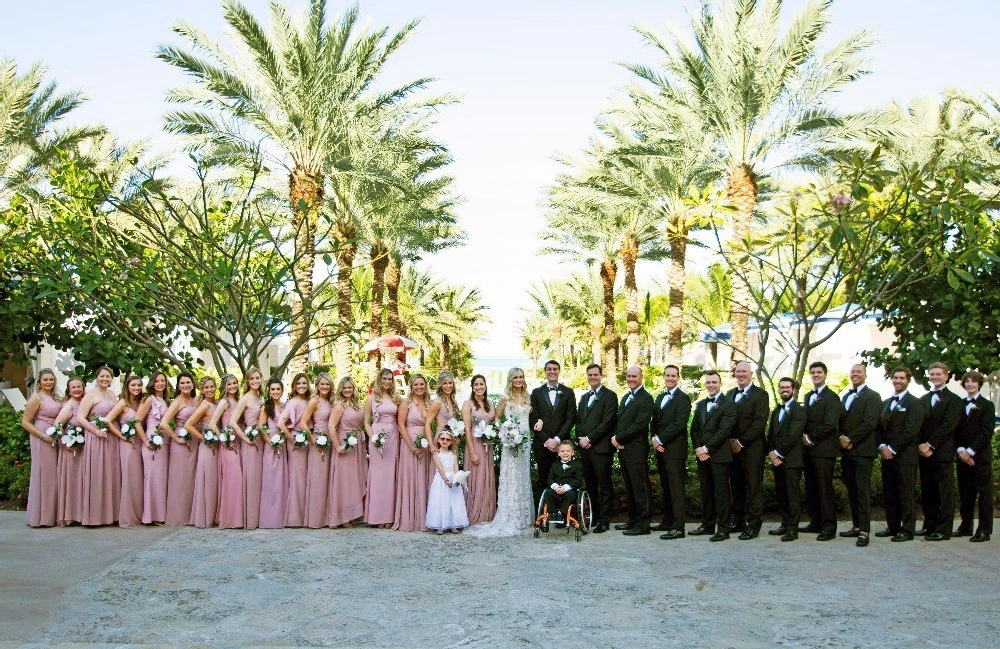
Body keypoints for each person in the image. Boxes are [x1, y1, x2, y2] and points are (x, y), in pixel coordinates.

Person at [465, 367, 534, 538]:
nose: (518, 380)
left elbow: (531, 417)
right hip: (510, 442)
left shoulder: (527, 397)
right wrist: (505, 432)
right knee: (510, 477)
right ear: (510, 380)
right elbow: (496, 418)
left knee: (523, 477)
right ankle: (509, 517)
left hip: (525, 442)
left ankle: (524, 517)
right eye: (515, 377)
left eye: (521, 377)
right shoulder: (505, 398)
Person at [875, 367, 925, 542]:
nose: (898, 380)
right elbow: (879, 428)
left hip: (905, 456)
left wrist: (892, 449)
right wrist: (882, 446)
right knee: (890, 493)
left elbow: (911, 430)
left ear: (908, 380)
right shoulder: (886, 402)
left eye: (901, 378)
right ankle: (893, 526)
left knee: (905, 493)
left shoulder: (915, 403)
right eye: (895, 377)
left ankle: (907, 530)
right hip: (887, 455)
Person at [837, 364, 882, 547]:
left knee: (862, 490)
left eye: (859, 372)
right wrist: (841, 438)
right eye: (853, 371)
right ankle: (856, 526)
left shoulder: (872, 396)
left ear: (865, 375)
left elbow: (870, 423)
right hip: (846, 451)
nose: (855, 374)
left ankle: (864, 531)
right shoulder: (846, 396)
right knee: (852, 489)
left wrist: (851, 439)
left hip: (862, 450)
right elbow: (840, 419)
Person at [916, 362, 962, 541]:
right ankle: (929, 525)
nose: (935, 377)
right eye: (932, 374)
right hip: (924, 453)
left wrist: (931, 444)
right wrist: (921, 444)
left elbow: (948, 426)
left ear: (946, 376)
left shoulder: (954, 400)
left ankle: (944, 529)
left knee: (945, 492)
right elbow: (918, 424)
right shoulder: (924, 399)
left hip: (942, 452)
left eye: (938, 374)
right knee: (928, 491)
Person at [689, 371, 736, 542]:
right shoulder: (701, 404)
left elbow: (725, 431)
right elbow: (694, 429)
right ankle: (707, 525)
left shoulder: (729, 404)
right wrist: (698, 448)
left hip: (719, 455)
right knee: (706, 491)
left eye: (714, 382)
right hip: (702, 455)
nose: (711, 385)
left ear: (720, 383)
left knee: (721, 493)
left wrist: (706, 448)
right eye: (708, 382)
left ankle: (723, 528)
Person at [800, 362, 844, 541]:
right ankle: (815, 521)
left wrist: (810, 438)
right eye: (813, 372)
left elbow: (830, 424)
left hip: (824, 450)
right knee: (811, 487)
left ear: (825, 374)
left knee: (825, 488)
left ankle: (829, 526)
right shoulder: (808, 395)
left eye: (819, 372)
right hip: (808, 451)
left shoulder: (832, 397)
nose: (816, 375)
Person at [725, 361, 769, 539]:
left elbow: (760, 422)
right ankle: (738, 520)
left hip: (752, 449)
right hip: (732, 449)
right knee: (736, 487)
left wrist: (741, 442)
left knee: (753, 487)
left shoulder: (760, 395)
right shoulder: (730, 394)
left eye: (744, 371)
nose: (740, 374)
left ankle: (754, 524)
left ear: (751, 373)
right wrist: (729, 440)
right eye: (737, 371)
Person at [574, 363, 617, 534]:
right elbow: (579, 421)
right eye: (590, 375)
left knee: (604, 486)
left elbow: (607, 422)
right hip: (585, 449)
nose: (592, 377)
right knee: (590, 485)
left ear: (601, 375)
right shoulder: (584, 397)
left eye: (595, 375)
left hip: (601, 448)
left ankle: (605, 520)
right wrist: (581, 439)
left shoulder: (610, 396)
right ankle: (593, 516)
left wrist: (590, 439)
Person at [613, 365, 655, 536]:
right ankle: (633, 520)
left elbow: (639, 424)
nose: (630, 379)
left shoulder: (646, 398)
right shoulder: (626, 397)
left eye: (634, 376)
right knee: (630, 487)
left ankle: (643, 525)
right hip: (624, 449)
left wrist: (619, 439)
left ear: (641, 377)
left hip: (636, 450)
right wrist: (616, 440)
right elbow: (620, 421)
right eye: (628, 376)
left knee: (640, 488)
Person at [76, 366, 121, 526]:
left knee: (110, 474)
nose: (105, 379)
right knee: (97, 473)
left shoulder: (111, 394)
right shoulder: (90, 395)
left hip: (110, 437)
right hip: (96, 438)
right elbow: (80, 417)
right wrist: (95, 431)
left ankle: (110, 514)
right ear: (96, 377)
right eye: (102, 376)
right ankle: (94, 516)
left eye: (108, 376)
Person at [650, 365, 690, 540]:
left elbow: (679, 424)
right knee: (666, 487)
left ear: (678, 377)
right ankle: (667, 520)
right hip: (661, 449)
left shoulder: (683, 398)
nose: (670, 378)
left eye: (674, 375)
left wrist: (661, 439)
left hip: (675, 451)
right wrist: (653, 438)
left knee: (676, 488)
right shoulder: (660, 397)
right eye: (667, 375)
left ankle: (678, 527)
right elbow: (655, 422)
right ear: (664, 377)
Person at [954, 370, 994, 542]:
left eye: (973, 382)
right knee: (965, 492)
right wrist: (961, 450)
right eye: (967, 381)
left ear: (979, 384)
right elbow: (955, 430)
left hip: (980, 457)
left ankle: (984, 530)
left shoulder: (986, 405)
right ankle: (965, 526)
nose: (970, 384)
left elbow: (986, 432)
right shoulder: (960, 404)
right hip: (962, 456)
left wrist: (970, 451)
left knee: (984, 494)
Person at [529, 360, 577, 498]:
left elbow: (571, 418)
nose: (552, 371)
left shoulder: (568, 392)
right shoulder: (537, 392)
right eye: (549, 369)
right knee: (543, 480)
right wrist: (547, 441)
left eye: (555, 369)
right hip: (542, 445)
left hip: (562, 446)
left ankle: (562, 513)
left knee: (564, 479)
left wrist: (557, 440)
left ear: (559, 371)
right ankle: (542, 516)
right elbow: (533, 419)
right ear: (545, 371)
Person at [22, 368, 63, 528]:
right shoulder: (36, 398)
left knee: (54, 476)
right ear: (40, 381)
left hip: (55, 438)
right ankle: (40, 517)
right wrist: (43, 436)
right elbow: (25, 422)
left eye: (51, 379)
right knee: (43, 475)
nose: (48, 382)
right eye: (45, 379)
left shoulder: (55, 397)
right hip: (41, 439)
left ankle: (52, 515)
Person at [766, 377, 806, 541]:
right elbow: (770, 433)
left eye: (787, 387)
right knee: (781, 494)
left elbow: (793, 434)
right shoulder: (777, 410)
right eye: (782, 387)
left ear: (794, 390)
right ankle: (784, 523)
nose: (784, 390)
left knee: (792, 495)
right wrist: (770, 452)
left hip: (791, 460)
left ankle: (792, 529)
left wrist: (778, 453)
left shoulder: (799, 410)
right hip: (777, 459)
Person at [105, 375, 146, 528]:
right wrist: (122, 436)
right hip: (127, 445)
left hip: (140, 442)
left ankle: (139, 513)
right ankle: (128, 516)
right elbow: (108, 420)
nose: (136, 388)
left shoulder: (140, 402)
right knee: (129, 478)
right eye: (133, 385)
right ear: (127, 387)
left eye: (139, 385)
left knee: (138, 479)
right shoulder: (123, 403)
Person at [393, 373, 432, 532]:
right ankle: (410, 518)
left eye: (422, 384)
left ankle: (425, 517)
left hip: (426, 444)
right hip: (410, 444)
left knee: (424, 478)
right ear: (411, 386)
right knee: (412, 478)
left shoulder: (429, 402)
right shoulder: (406, 403)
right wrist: (410, 446)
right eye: (416, 384)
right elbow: (401, 425)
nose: (419, 387)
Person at [328, 376, 368, 528]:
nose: (347, 390)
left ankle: (352, 514)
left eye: (350, 387)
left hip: (357, 445)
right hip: (345, 444)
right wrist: (338, 446)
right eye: (344, 388)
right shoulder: (339, 405)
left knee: (355, 480)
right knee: (344, 481)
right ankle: (342, 517)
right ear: (340, 389)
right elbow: (331, 426)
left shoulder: (357, 404)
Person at [162, 372, 199, 526]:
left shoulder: (196, 400)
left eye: (188, 382)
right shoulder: (177, 402)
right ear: (178, 386)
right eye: (182, 383)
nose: (186, 385)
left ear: (193, 383)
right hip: (182, 443)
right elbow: (164, 423)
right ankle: (179, 516)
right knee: (180, 479)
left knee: (192, 478)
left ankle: (192, 514)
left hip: (195, 440)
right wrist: (176, 438)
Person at [364, 368, 400, 528]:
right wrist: (372, 437)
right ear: (379, 379)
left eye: (389, 379)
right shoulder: (371, 398)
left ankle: (389, 516)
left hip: (393, 436)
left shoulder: (397, 398)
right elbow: (366, 422)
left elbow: (401, 420)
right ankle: (377, 516)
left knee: (391, 475)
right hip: (377, 437)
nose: (387, 382)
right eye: (384, 378)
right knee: (378, 476)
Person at [209, 374, 244, 530]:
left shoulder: (238, 401)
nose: (232, 386)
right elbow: (212, 424)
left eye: (235, 383)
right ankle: (230, 519)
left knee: (238, 480)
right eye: (229, 384)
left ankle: (238, 518)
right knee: (233, 479)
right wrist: (224, 439)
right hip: (228, 444)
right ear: (224, 386)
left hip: (240, 442)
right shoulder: (224, 402)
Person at [230, 368, 264, 529]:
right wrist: (245, 439)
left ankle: (258, 517)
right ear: (247, 381)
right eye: (252, 379)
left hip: (261, 442)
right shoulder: (245, 398)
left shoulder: (261, 397)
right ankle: (249, 519)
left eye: (257, 378)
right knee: (250, 479)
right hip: (250, 443)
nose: (255, 381)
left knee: (259, 479)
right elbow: (233, 422)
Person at [300, 373, 334, 530]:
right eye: (322, 384)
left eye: (327, 384)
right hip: (318, 442)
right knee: (318, 480)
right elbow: (303, 423)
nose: (325, 387)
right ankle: (315, 519)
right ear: (317, 385)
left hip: (331, 442)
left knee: (329, 480)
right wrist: (314, 442)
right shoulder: (315, 401)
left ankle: (328, 517)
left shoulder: (332, 401)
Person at [136, 371, 170, 525]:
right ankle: (150, 516)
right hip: (152, 441)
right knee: (151, 478)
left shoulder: (164, 400)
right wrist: (145, 441)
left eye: (163, 381)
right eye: (157, 381)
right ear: (152, 383)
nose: (160, 384)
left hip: (163, 441)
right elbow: (136, 421)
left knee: (161, 479)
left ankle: (160, 514)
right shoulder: (149, 399)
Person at [463, 374, 497, 525]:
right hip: (475, 445)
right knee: (476, 479)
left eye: (481, 384)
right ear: (472, 387)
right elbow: (467, 430)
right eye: (476, 384)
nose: (479, 387)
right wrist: (472, 453)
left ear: (485, 386)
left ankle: (487, 513)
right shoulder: (467, 404)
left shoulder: (489, 402)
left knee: (486, 478)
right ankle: (474, 513)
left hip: (488, 447)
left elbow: (494, 423)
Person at [187, 376, 219, 528]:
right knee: (208, 481)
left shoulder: (217, 403)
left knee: (215, 481)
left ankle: (214, 515)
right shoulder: (205, 405)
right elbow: (188, 425)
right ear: (202, 389)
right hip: (208, 448)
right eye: (206, 387)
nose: (210, 389)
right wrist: (204, 438)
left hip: (217, 447)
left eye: (212, 386)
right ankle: (205, 517)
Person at [55, 376, 87, 526]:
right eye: (73, 387)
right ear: (69, 390)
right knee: (71, 481)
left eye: (79, 387)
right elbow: (57, 425)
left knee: (81, 482)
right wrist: (65, 442)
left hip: (82, 449)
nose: (76, 390)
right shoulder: (69, 406)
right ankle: (68, 515)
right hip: (70, 449)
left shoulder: (84, 403)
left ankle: (80, 514)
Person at [281, 373, 311, 527]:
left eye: (304, 383)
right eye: (298, 383)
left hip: (307, 442)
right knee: (298, 478)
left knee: (305, 478)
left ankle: (305, 514)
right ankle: (295, 518)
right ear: (294, 386)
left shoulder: (308, 401)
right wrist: (292, 440)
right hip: (296, 443)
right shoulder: (292, 403)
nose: (301, 386)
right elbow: (281, 424)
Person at [425, 427, 469, 534]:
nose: (445, 441)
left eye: (448, 439)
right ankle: (440, 525)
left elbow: (456, 467)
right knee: (441, 501)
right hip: (441, 480)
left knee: (452, 502)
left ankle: (452, 524)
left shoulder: (453, 454)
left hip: (453, 478)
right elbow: (440, 468)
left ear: (451, 442)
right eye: (443, 439)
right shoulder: (436, 454)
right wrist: (446, 480)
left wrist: (457, 479)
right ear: (439, 440)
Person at [258, 377, 287, 529]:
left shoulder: (285, 406)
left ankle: (282, 516)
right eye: (273, 389)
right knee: (271, 482)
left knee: (282, 481)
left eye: (278, 389)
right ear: (269, 391)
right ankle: (270, 518)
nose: (275, 391)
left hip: (284, 446)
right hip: (271, 447)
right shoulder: (266, 407)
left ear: (282, 390)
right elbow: (261, 427)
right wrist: (271, 443)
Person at [539, 441, 585, 530]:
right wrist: (556, 487)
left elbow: (578, 480)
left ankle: (562, 514)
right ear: (559, 453)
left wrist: (565, 488)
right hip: (556, 489)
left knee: (570, 495)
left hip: (569, 490)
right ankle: (553, 513)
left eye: (568, 451)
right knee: (548, 493)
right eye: (562, 451)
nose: (565, 453)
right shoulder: (555, 465)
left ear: (572, 452)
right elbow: (550, 479)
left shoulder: (578, 465)